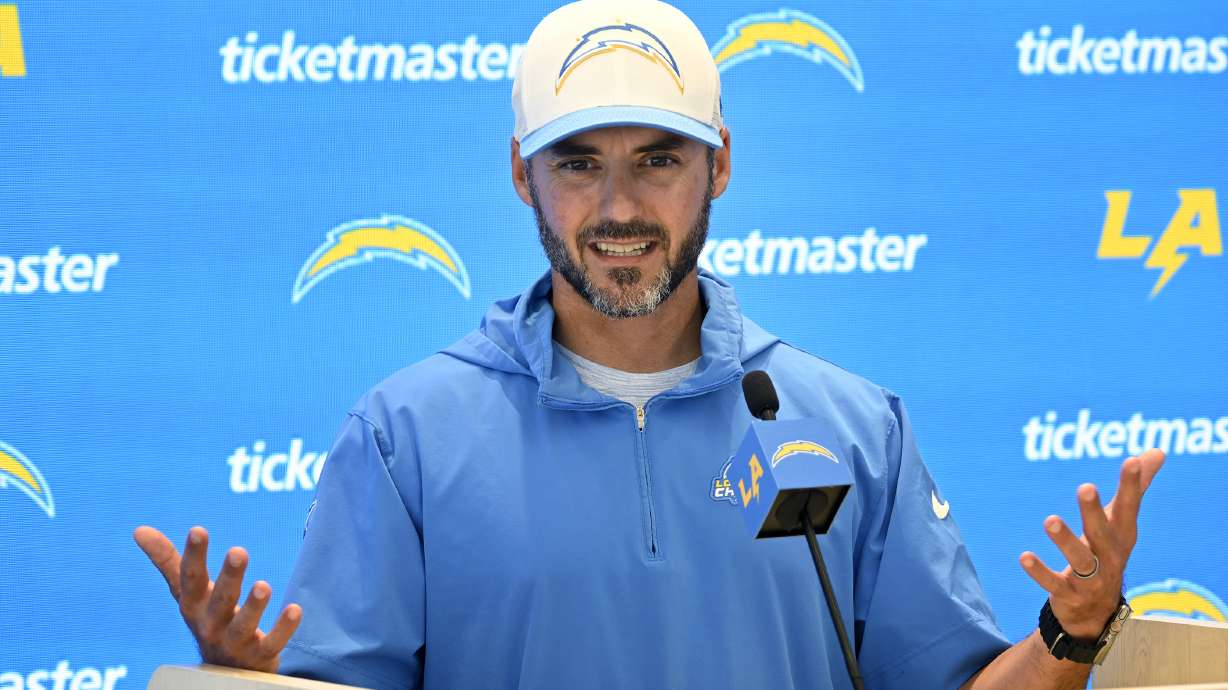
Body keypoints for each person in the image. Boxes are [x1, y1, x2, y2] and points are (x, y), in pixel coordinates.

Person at [135, 1, 1166, 688]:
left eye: (657, 159)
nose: (618, 206)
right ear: (518, 174)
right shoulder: (410, 431)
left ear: (718, 168)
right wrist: (240, 687)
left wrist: (1071, 628)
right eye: (577, 164)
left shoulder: (847, 426)